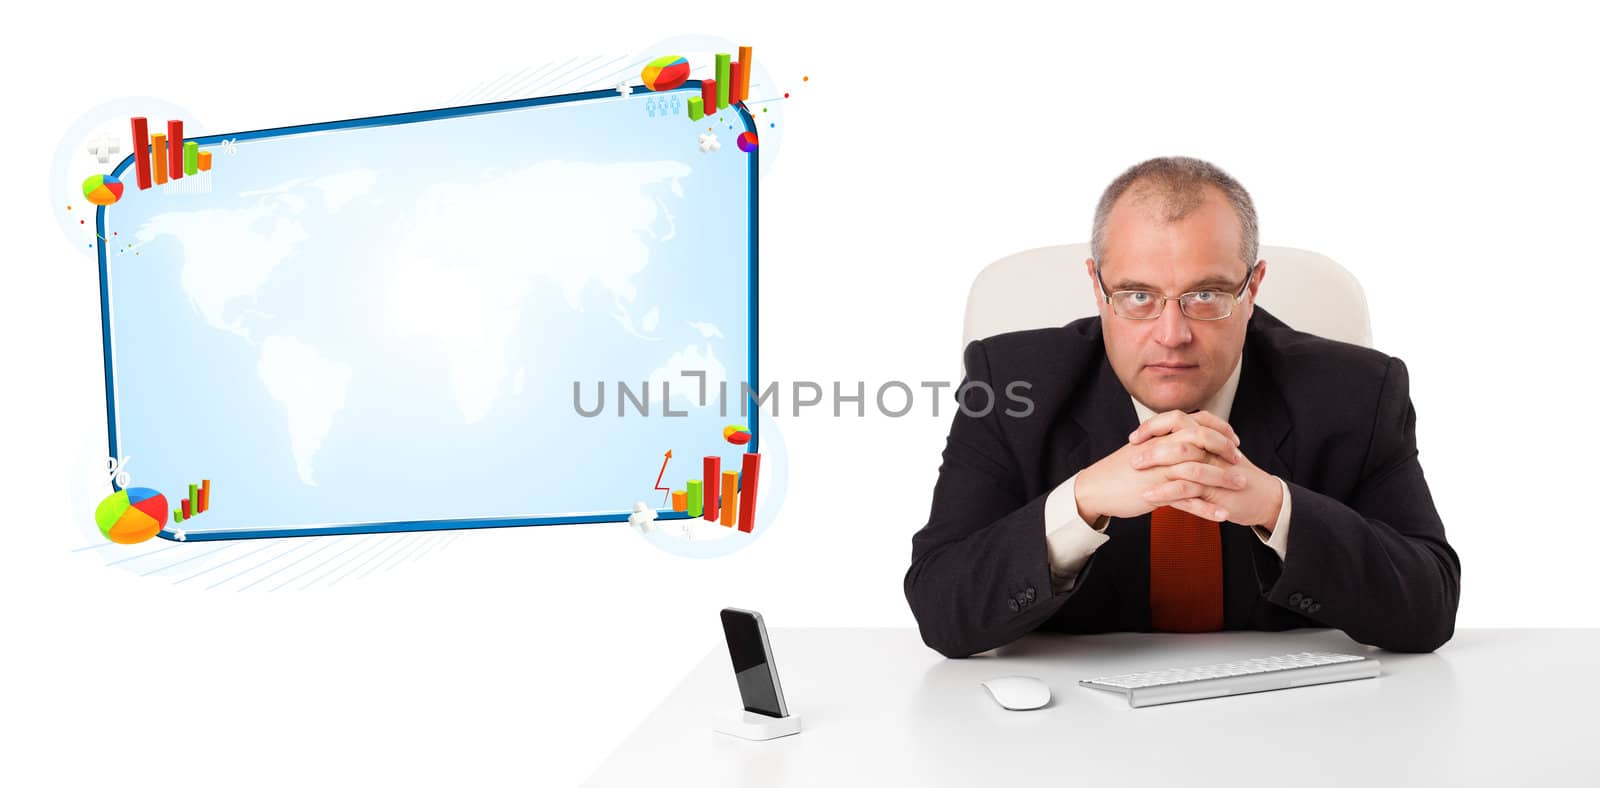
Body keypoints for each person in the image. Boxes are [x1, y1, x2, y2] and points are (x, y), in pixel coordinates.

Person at [904, 156, 1460, 657]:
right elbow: (940, 607)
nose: (1172, 334)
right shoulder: (1010, 385)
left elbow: (1430, 607)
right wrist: (1081, 502)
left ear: (1253, 288)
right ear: (1098, 289)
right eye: (1138, 296)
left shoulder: (1359, 390)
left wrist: (1275, 507)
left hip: (1293, 729)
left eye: (1207, 295)